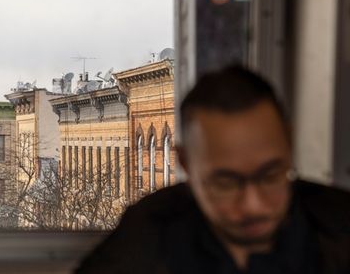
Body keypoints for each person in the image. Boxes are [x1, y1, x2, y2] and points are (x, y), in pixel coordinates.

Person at [75, 65, 350, 273]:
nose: (253, 205)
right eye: (226, 183)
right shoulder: (149, 232)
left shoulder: (339, 228)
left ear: (289, 145)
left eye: (270, 176)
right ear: (186, 164)